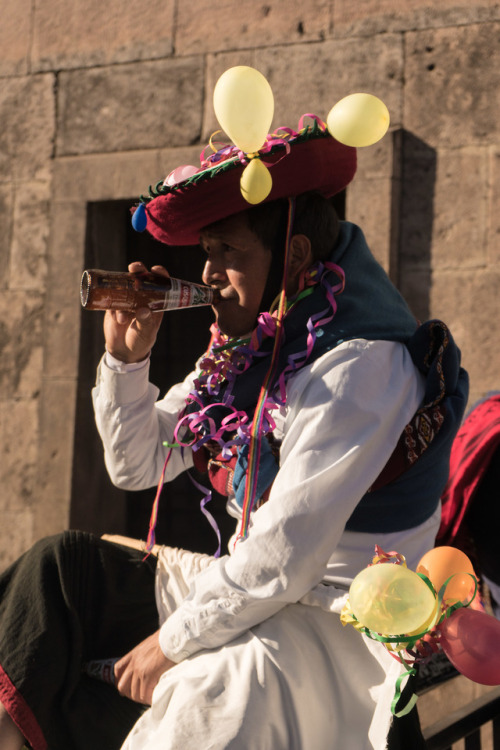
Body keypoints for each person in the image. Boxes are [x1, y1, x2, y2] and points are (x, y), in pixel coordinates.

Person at [0, 107, 469, 750]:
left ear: (293, 254)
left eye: (229, 252)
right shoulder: (249, 348)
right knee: (61, 573)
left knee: (209, 699)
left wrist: (166, 647)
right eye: (207, 252)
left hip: (332, 617)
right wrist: (127, 361)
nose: (210, 273)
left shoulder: (359, 366)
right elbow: (138, 465)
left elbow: (286, 558)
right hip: (247, 581)